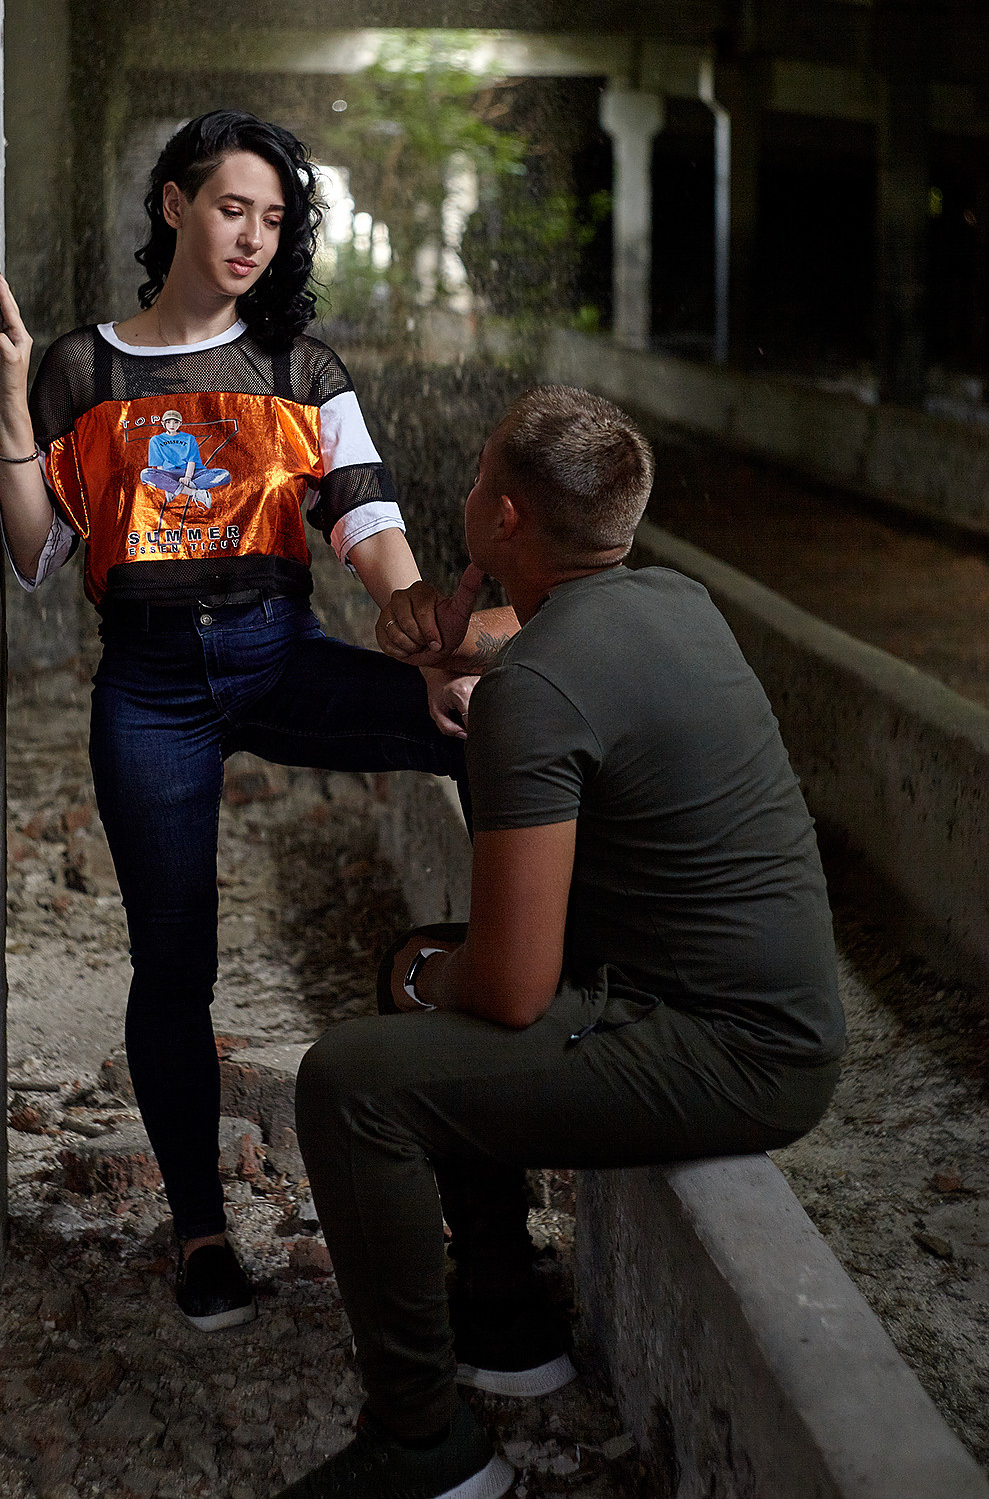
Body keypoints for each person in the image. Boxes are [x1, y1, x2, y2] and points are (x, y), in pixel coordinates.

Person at [0, 111, 515, 1333]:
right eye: (233, 209)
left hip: (283, 661)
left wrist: (419, 630)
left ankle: (522, 967)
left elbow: (364, 515)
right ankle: (201, 1227)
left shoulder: (300, 368)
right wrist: (15, 405)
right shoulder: (85, 369)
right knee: (175, 963)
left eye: (275, 221)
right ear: (172, 204)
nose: (254, 238)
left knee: (481, 723)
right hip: (152, 691)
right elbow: (36, 551)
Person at [277, 386, 847, 1499]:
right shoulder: (675, 599)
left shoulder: (531, 692)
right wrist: (458, 635)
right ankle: (503, 1320)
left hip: (726, 1051)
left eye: (479, 477)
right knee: (421, 987)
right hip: (760, 1017)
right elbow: (537, 640)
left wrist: (418, 973)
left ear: (502, 517)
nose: (467, 491)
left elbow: (505, 986)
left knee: (353, 1079)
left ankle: (424, 1447)